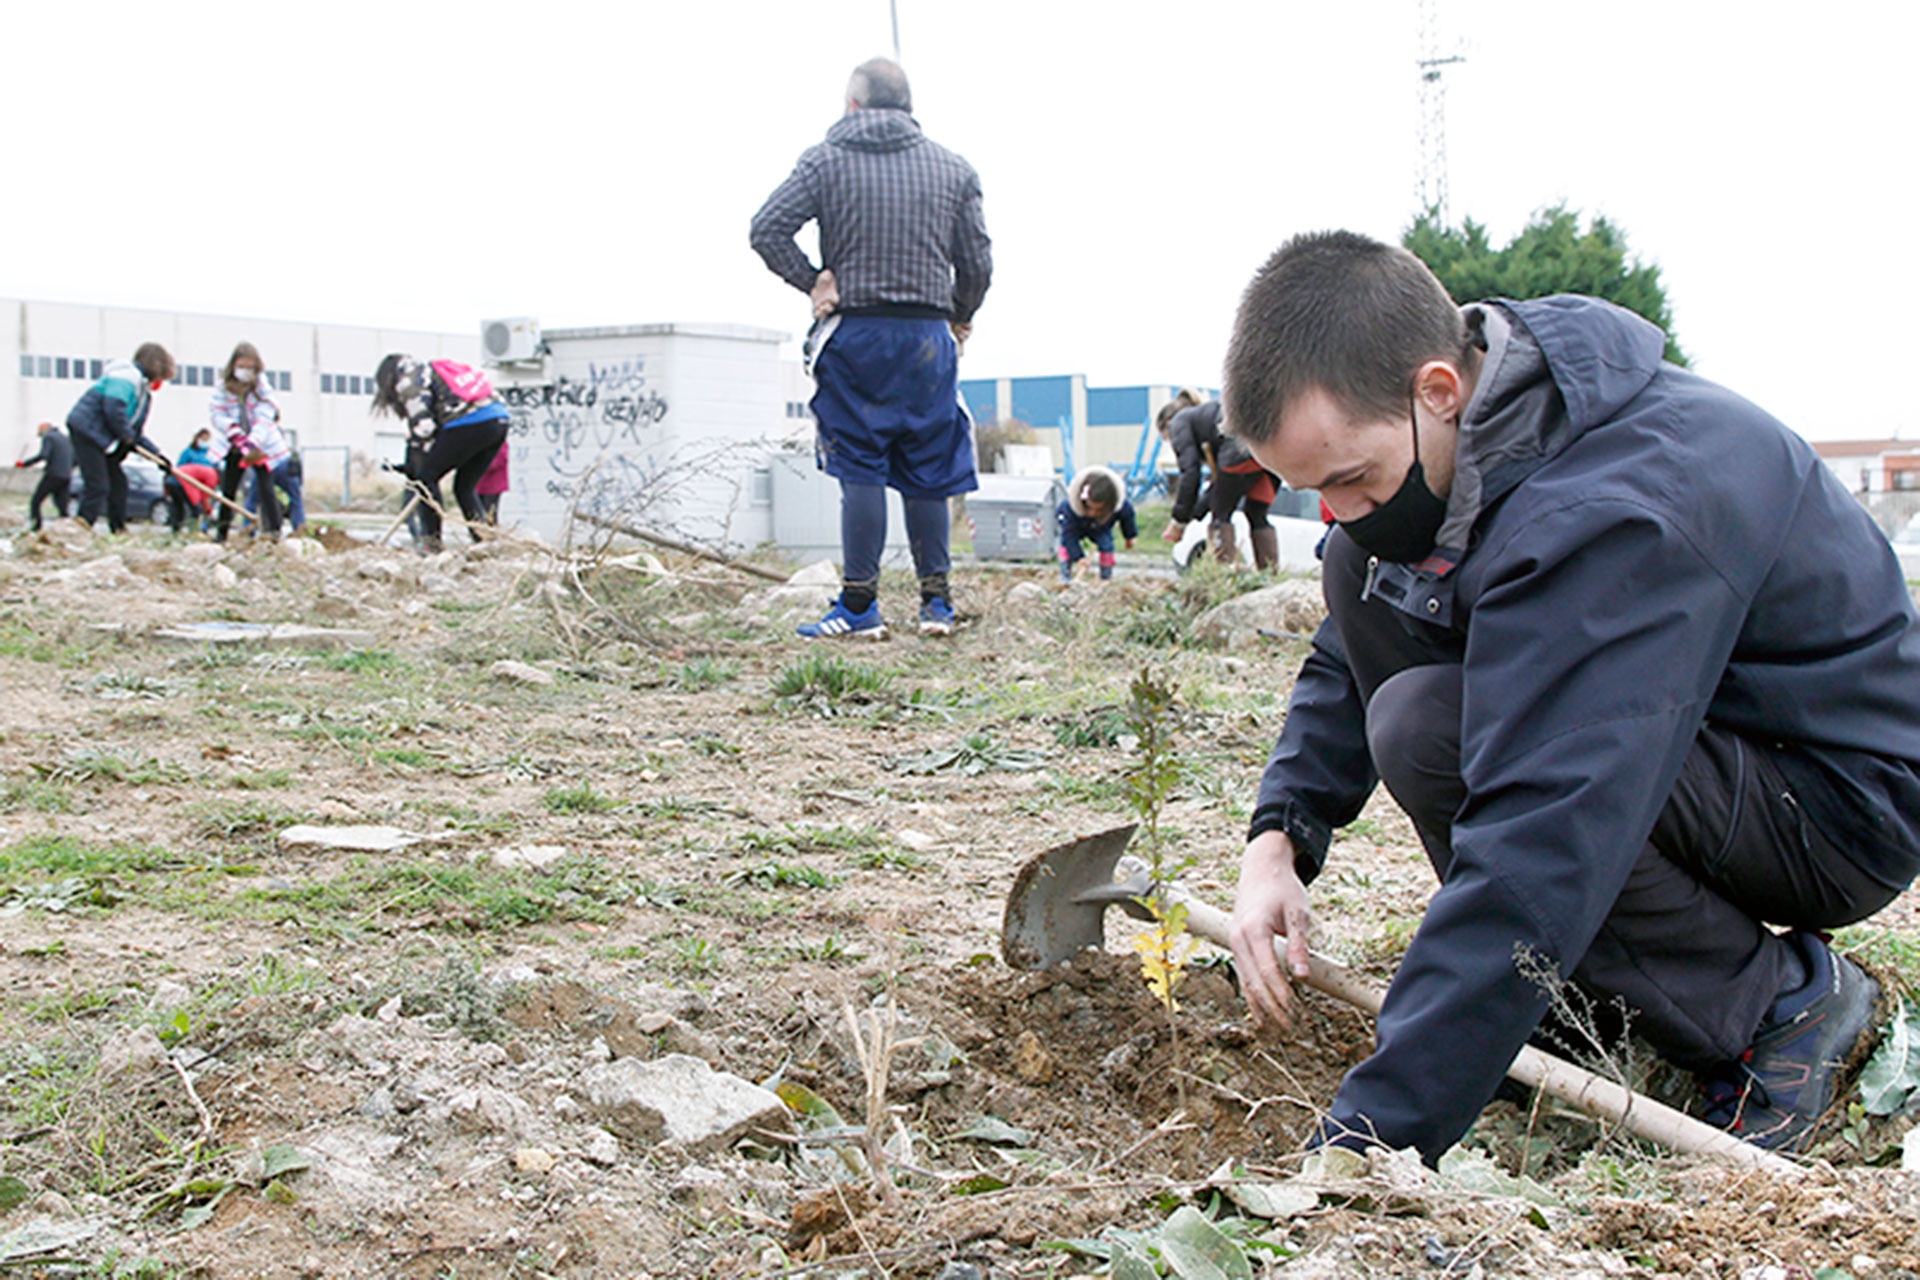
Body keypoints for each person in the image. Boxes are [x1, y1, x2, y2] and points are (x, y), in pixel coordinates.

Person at [1221, 230, 1919, 1163]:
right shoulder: (1485, 438)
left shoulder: (1616, 507)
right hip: (1700, 740)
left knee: (1439, 733)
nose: (1339, 511)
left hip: (1834, 797)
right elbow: (1347, 654)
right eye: (1313, 490)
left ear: (1438, 390)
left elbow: (1546, 827)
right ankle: (1582, 988)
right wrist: (1280, 839)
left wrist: (1366, 1143)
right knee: (1363, 581)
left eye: (1350, 479)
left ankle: (1780, 1005)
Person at [751, 56, 992, 640]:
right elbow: (979, 263)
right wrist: (960, 315)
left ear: (852, 104)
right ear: (908, 107)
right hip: (928, 339)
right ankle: (936, 607)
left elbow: (766, 228)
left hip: (855, 331)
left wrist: (812, 280)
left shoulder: (825, 160)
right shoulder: (953, 169)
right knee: (928, 468)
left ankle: (860, 609)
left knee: (860, 464)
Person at [369, 354, 510, 552]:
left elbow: (424, 429)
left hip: (469, 421)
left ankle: (433, 542)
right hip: (498, 421)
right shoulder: (430, 371)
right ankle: (484, 541)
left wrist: (416, 467)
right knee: (464, 486)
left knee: (426, 479)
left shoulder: (408, 380)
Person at [1159, 390, 1283, 571]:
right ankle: (1269, 575)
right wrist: (1193, 513)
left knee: (1221, 515)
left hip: (1240, 450)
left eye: (1168, 439)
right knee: (1256, 514)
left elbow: (1190, 474)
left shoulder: (1179, 422)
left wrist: (1179, 521)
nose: (1172, 443)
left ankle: (1224, 573)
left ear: (1167, 424)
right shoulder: (1208, 415)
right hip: (1271, 454)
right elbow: (1220, 488)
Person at [66, 343, 175, 532]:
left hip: (103, 437)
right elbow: (113, 409)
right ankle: (80, 529)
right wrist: (126, 437)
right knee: (97, 485)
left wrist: (157, 456)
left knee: (119, 485)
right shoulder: (127, 376)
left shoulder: (142, 391)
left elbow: (135, 432)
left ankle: (118, 528)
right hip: (88, 431)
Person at [209, 343, 283, 541]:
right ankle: (221, 534)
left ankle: (274, 532)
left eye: (250, 368)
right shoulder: (222, 387)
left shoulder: (261, 386)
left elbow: (266, 413)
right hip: (234, 445)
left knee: (266, 488)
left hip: (259, 445)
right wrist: (233, 432)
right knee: (228, 490)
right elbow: (217, 413)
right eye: (241, 366)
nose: (245, 372)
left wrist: (253, 440)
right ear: (233, 365)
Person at [1055, 465, 1137, 582]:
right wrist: (1079, 558)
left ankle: (1106, 577)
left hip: (1102, 526)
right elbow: (1070, 535)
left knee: (1106, 544)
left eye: (1099, 510)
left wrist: (1130, 536)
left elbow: (1127, 518)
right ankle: (1065, 575)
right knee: (1065, 543)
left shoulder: (1121, 505)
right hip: (1076, 523)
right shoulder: (1070, 508)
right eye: (1090, 507)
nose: (1093, 513)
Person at [15, 422, 74, 531]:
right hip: (66, 475)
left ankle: (36, 526)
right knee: (62, 505)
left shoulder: (49, 437)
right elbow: (74, 458)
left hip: (53, 474)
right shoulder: (65, 438)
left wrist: (25, 464)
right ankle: (67, 528)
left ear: (44, 429)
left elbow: (44, 454)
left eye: (39, 431)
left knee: (36, 501)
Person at [164, 428, 221, 533]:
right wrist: (206, 507)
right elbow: (181, 471)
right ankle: (191, 529)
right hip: (185, 481)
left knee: (197, 507)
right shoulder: (189, 452)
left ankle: (199, 528)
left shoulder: (210, 454)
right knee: (193, 507)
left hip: (195, 484)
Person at [475, 439, 510, 524]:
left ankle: (490, 534)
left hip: (493, 485)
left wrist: (481, 465)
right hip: (479, 484)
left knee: (490, 513)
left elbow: (501, 459)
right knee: (478, 512)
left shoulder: (499, 442)